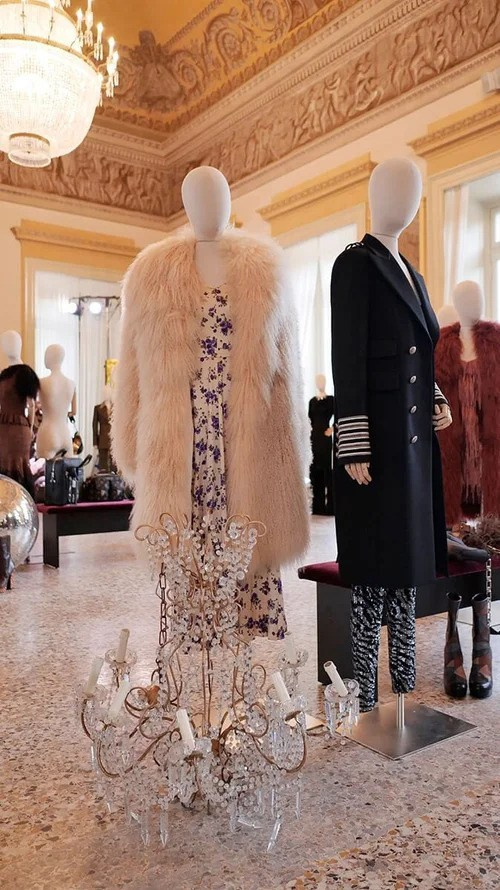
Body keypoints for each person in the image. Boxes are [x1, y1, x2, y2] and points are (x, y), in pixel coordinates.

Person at [0, 363, 40, 498]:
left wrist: (30, 427)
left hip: (18, 428)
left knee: (17, 465)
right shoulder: (6, 375)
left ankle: (20, 501)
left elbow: (31, 403)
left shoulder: (22, 374)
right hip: (4, 427)